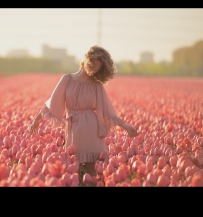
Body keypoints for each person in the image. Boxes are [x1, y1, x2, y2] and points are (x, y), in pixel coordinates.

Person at [29, 45, 138, 177]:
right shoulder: (67, 79)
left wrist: (125, 126)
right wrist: (37, 120)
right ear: (87, 60)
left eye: (98, 68)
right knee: (73, 167)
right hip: (73, 128)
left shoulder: (97, 85)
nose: (94, 70)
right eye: (93, 65)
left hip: (91, 130)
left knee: (92, 169)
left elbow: (108, 111)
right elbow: (52, 102)